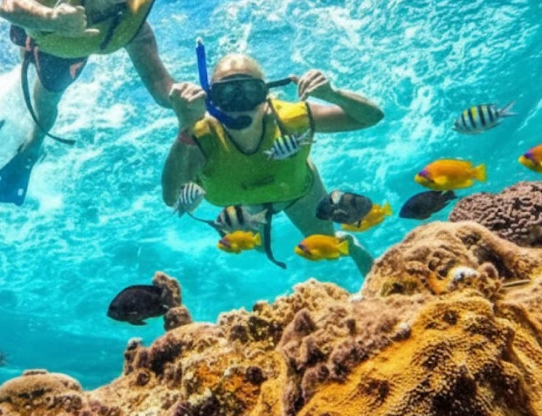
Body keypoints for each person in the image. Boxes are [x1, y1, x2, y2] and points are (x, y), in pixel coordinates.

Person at [0, 0, 176, 205]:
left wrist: (186, 98)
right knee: (25, 56)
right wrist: (51, 18)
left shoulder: (133, 26)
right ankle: (20, 79)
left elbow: (162, 86)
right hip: (33, 25)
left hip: (64, 56)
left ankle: (33, 146)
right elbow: (7, 4)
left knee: (46, 100)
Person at [162, 52, 384, 274]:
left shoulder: (290, 119)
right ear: (211, 99)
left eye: (250, 91)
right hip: (242, 203)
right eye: (227, 93)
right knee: (255, 246)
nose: (240, 105)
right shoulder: (197, 136)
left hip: (298, 192)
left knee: (328, 244)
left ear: (266, 95)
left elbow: (372, 117)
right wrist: (185, 126)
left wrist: (333, 94)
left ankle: (351, 244)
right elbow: (172, 198)